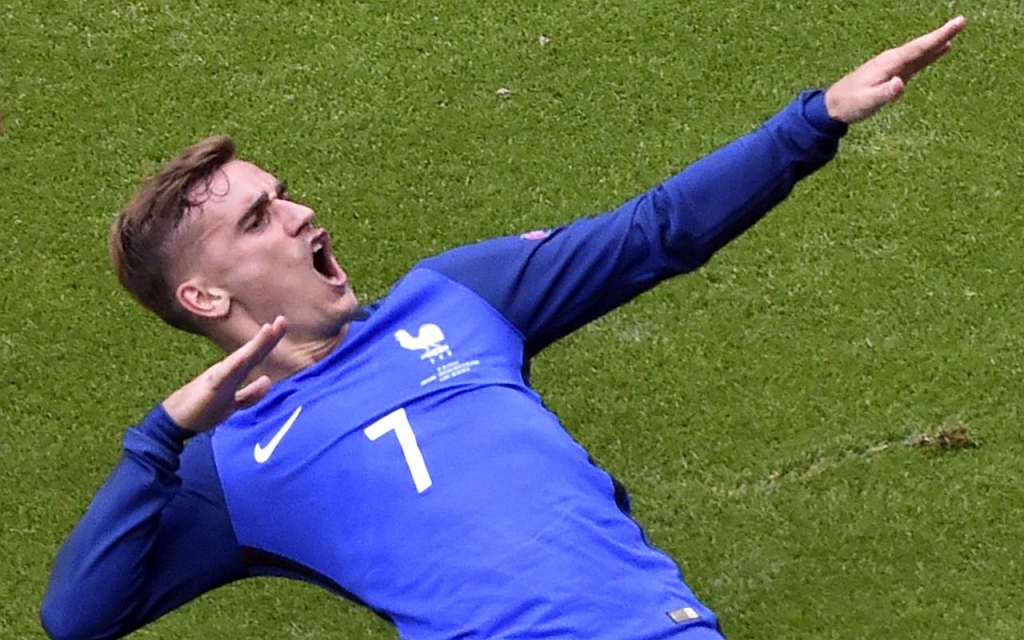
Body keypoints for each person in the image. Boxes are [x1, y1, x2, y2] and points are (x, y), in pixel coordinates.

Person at [40, 16, 966, 640]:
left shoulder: (455, 297)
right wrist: (162, 438)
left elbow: (654, 232)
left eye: (279, 195)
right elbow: (77, 617)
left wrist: (818, 119)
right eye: (255, 220)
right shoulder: (228, 470)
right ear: (203, 298)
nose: (296, 212)